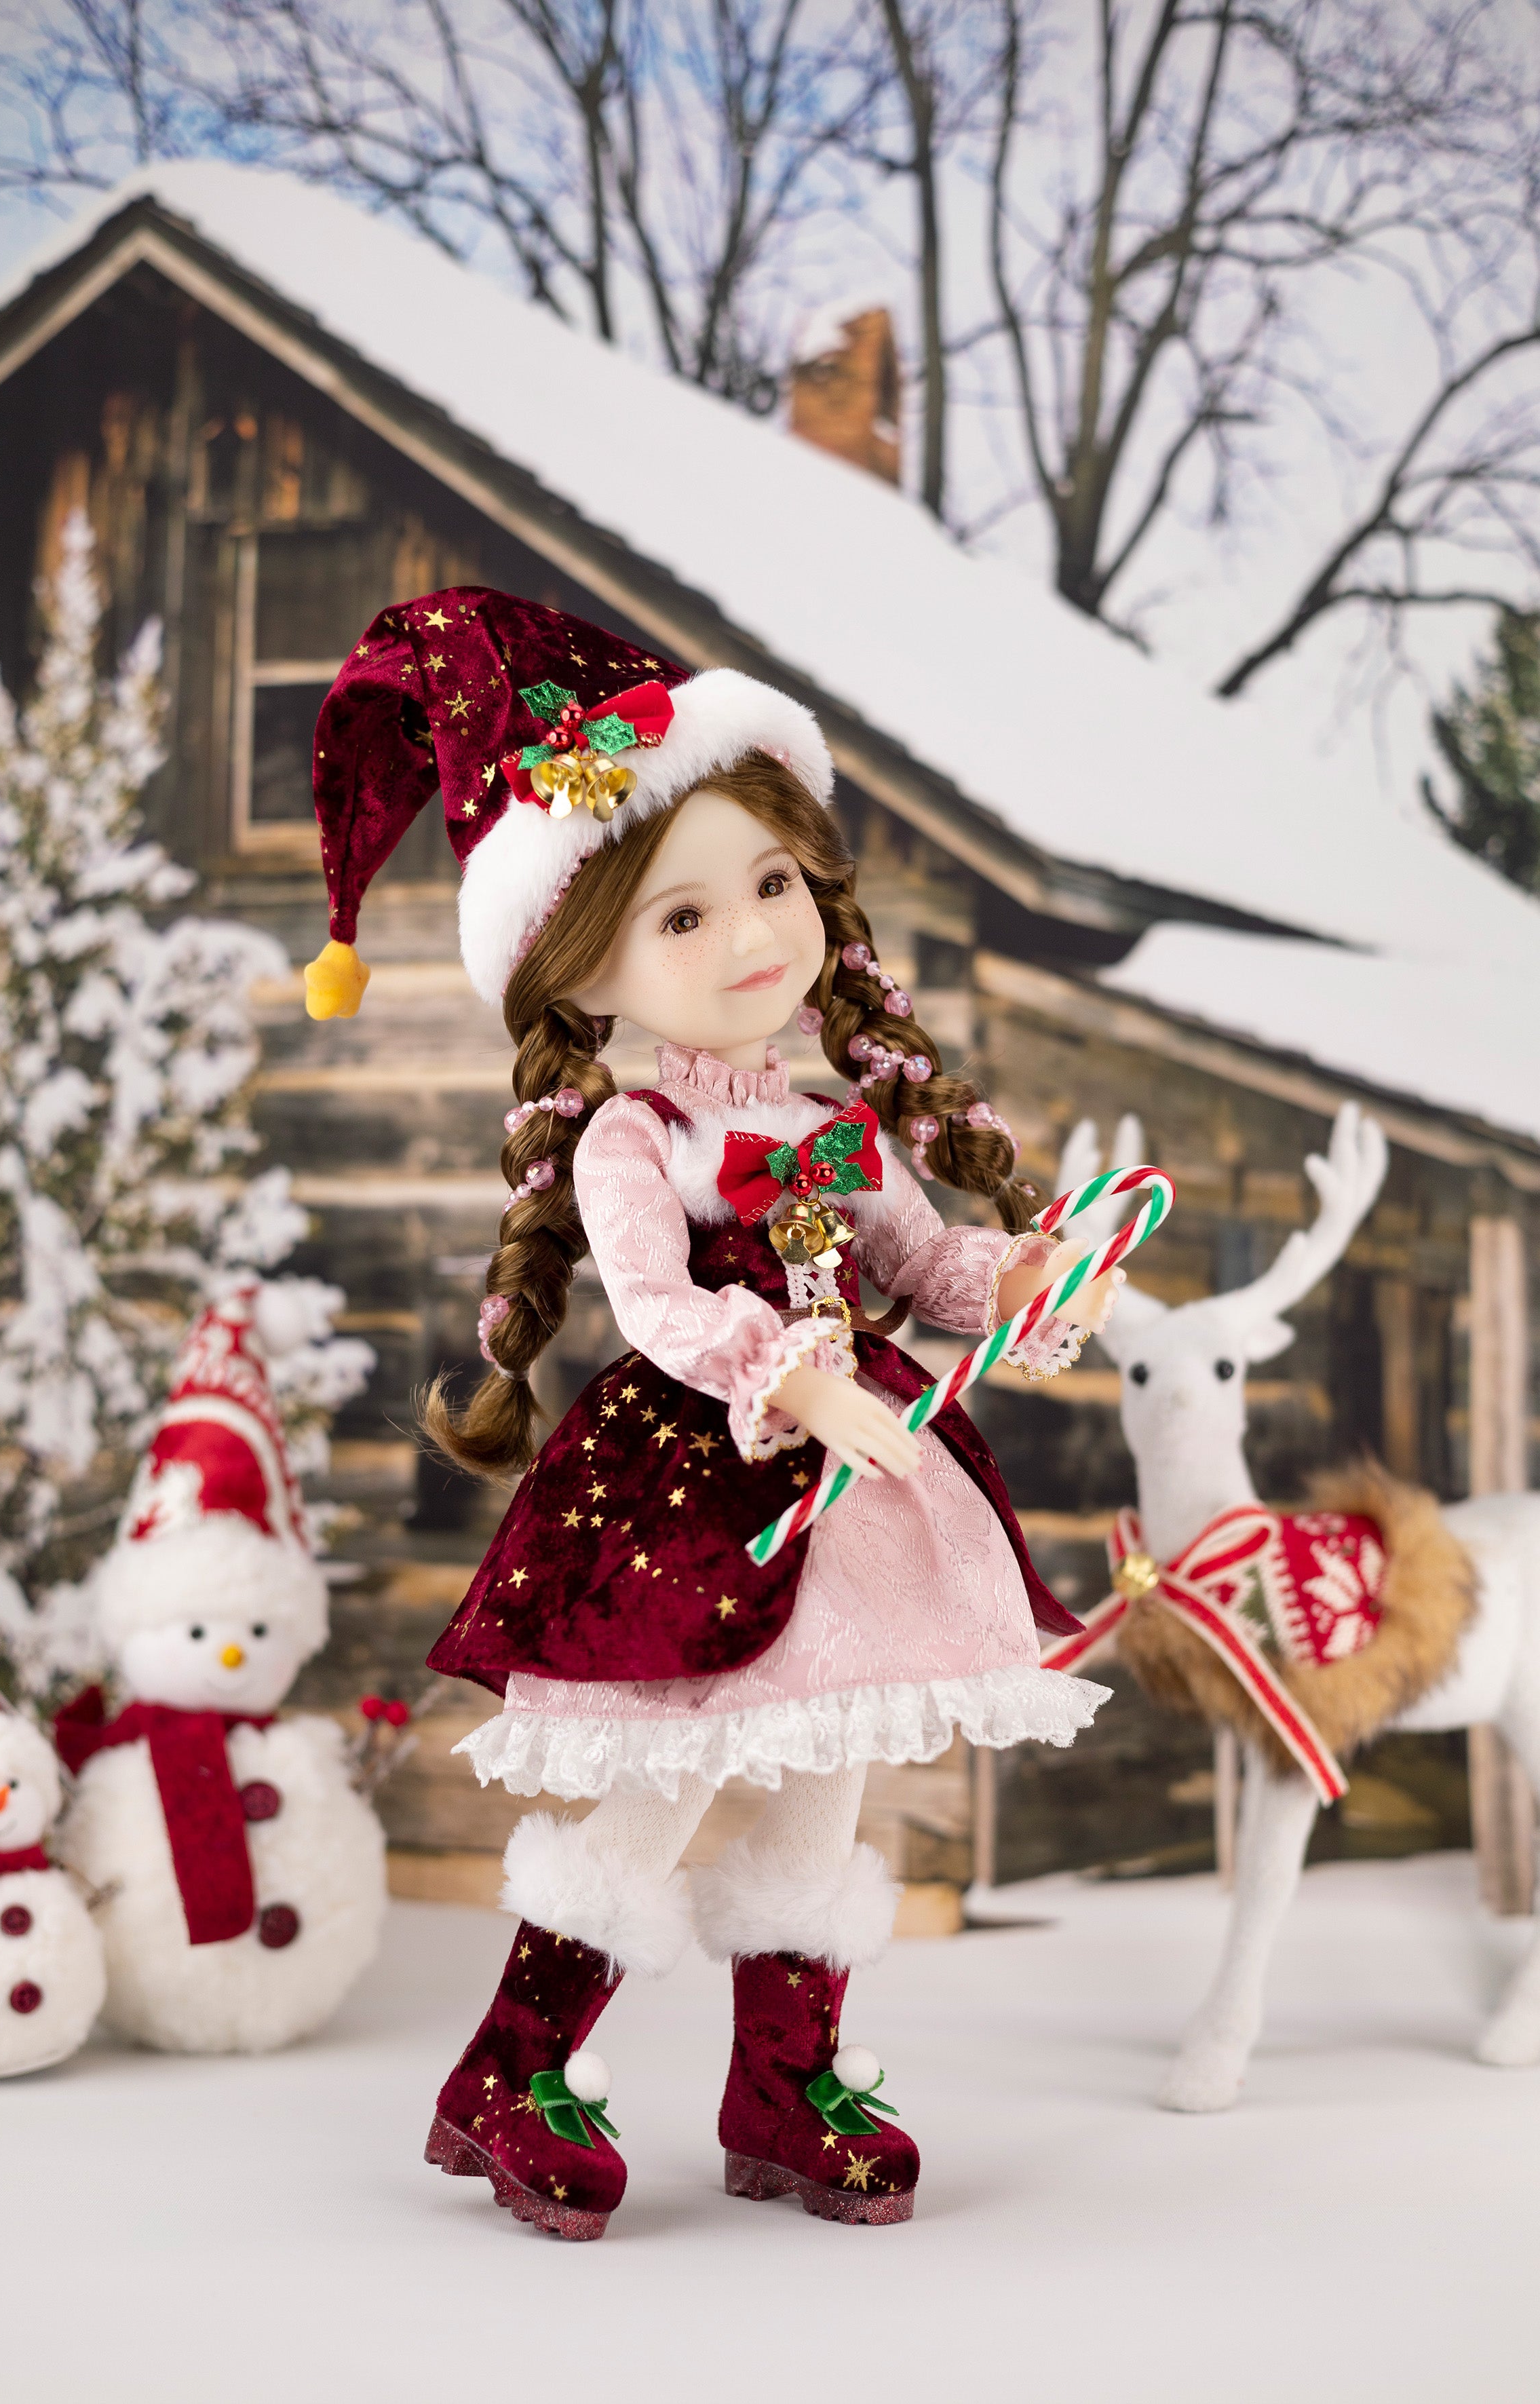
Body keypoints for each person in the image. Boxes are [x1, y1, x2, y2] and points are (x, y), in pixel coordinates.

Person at [305, 588, 1113, 2240]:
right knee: (662, 1782)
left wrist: (1024, 1273)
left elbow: (923, 1261)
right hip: (696, 1488)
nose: (754, 937)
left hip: (859, 1502)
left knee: (823, 1781)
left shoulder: (830, 1121)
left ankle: (784, 2082)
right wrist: (792, 1367)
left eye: (768, 883)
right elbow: (658, 1310)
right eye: (680, 918)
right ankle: (508, 2070)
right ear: (581, 967)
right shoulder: (631, 1137)